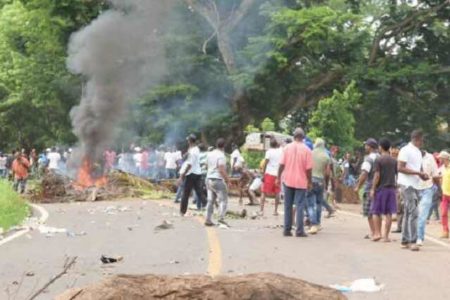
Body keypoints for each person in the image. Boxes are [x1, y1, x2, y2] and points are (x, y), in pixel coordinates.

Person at [277, 127, 312, 237]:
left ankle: (287, 230)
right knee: (300, 205)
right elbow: (309, 169)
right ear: (303, 137)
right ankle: (299, 231)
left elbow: (281, 164)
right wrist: (309, 181)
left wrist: (278, 177)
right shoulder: (307, 150)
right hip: (301, 182)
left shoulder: (287, 148)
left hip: (288, 180)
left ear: (294, 136)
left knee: (287, 205)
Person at [397, 130, 429, 251]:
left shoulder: (418, 152)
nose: (423, 142)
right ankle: (412, 241)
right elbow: (400, 168)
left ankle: (405, 240)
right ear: (416, 138)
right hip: (407, 185)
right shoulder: (405, 150)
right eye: (422, 140)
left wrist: (422, 175)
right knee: (414, 212)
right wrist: (417, 172)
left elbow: (418, 168)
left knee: (408, 212)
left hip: (415, 185)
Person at [369, 138, 397, 242]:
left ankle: (377, 233)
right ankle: (386, 236)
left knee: (376, 211)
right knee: (388, 213)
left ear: (380, 147)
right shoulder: (394, 160)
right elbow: (396, 176)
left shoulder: (379, 160)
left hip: (381, 189)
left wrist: (373, 188)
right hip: (391, 189)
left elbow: (377, 175)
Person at [354, 138, 380, 240]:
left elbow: (364, 174)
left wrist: (358, 186)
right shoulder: (380, 157)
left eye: (366, 145)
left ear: (370, 147)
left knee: (369, 212)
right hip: (380, 188)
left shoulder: (369, 159)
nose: (365, 147)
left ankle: (373, 232)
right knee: (377, 211)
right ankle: (378, 232)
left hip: (370, 188)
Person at [306, 138, 332, 234]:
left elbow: (307, 168)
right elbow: (328, 173)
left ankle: (313, 224)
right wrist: (325, 183)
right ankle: (318, 224)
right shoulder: (326, 156)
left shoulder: (310, 153)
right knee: (318, 204)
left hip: (310, 180)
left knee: (310, 204)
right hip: (320, 182)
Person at [415, 149, 440, 246]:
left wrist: (439, 190)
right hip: (414, 189)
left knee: (422, 214)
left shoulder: (430, 158)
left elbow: (435, 175)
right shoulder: (411, 156)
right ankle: (413, 235)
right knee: (414, 213)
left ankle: (419, 237)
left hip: (428, 189)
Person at [178, 134, 206, 215]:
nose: (187, 142)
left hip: (191, 174)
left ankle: (182, 211)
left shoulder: (193, 151)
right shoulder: (195, 149)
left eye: (188, 140)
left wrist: (182, 176)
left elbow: (189, 165)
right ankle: (207, 205)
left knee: (186, 193)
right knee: (199, 191)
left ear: (190, 141)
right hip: (197, 173)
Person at [205, 138, 230, 226]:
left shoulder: (210, 154)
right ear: (224, 146)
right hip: (217, 179)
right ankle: (221, 219)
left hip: (208, 179)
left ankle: (208, 219)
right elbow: (221, 169)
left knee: (210, 200)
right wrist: (227, 180)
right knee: (223, 200)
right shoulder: (221, 155)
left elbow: (206, 165)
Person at [260, 138, 283, 216]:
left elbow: (265, 163)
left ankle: (261, 210)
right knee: (277, 193)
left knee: (264, 192)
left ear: (270, 145)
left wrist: (263, 174)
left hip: (269, 174)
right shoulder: (280, 152)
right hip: (277, 174)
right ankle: (275, 211)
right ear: (276, 144)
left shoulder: (268, 152)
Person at [438, 151, 450, 239]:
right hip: (444, 194)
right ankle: (445, 231)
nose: (439, 160)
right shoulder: (441, 168)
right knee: (443, 213)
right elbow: (438, 177)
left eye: (440, 158)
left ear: (445, 158)